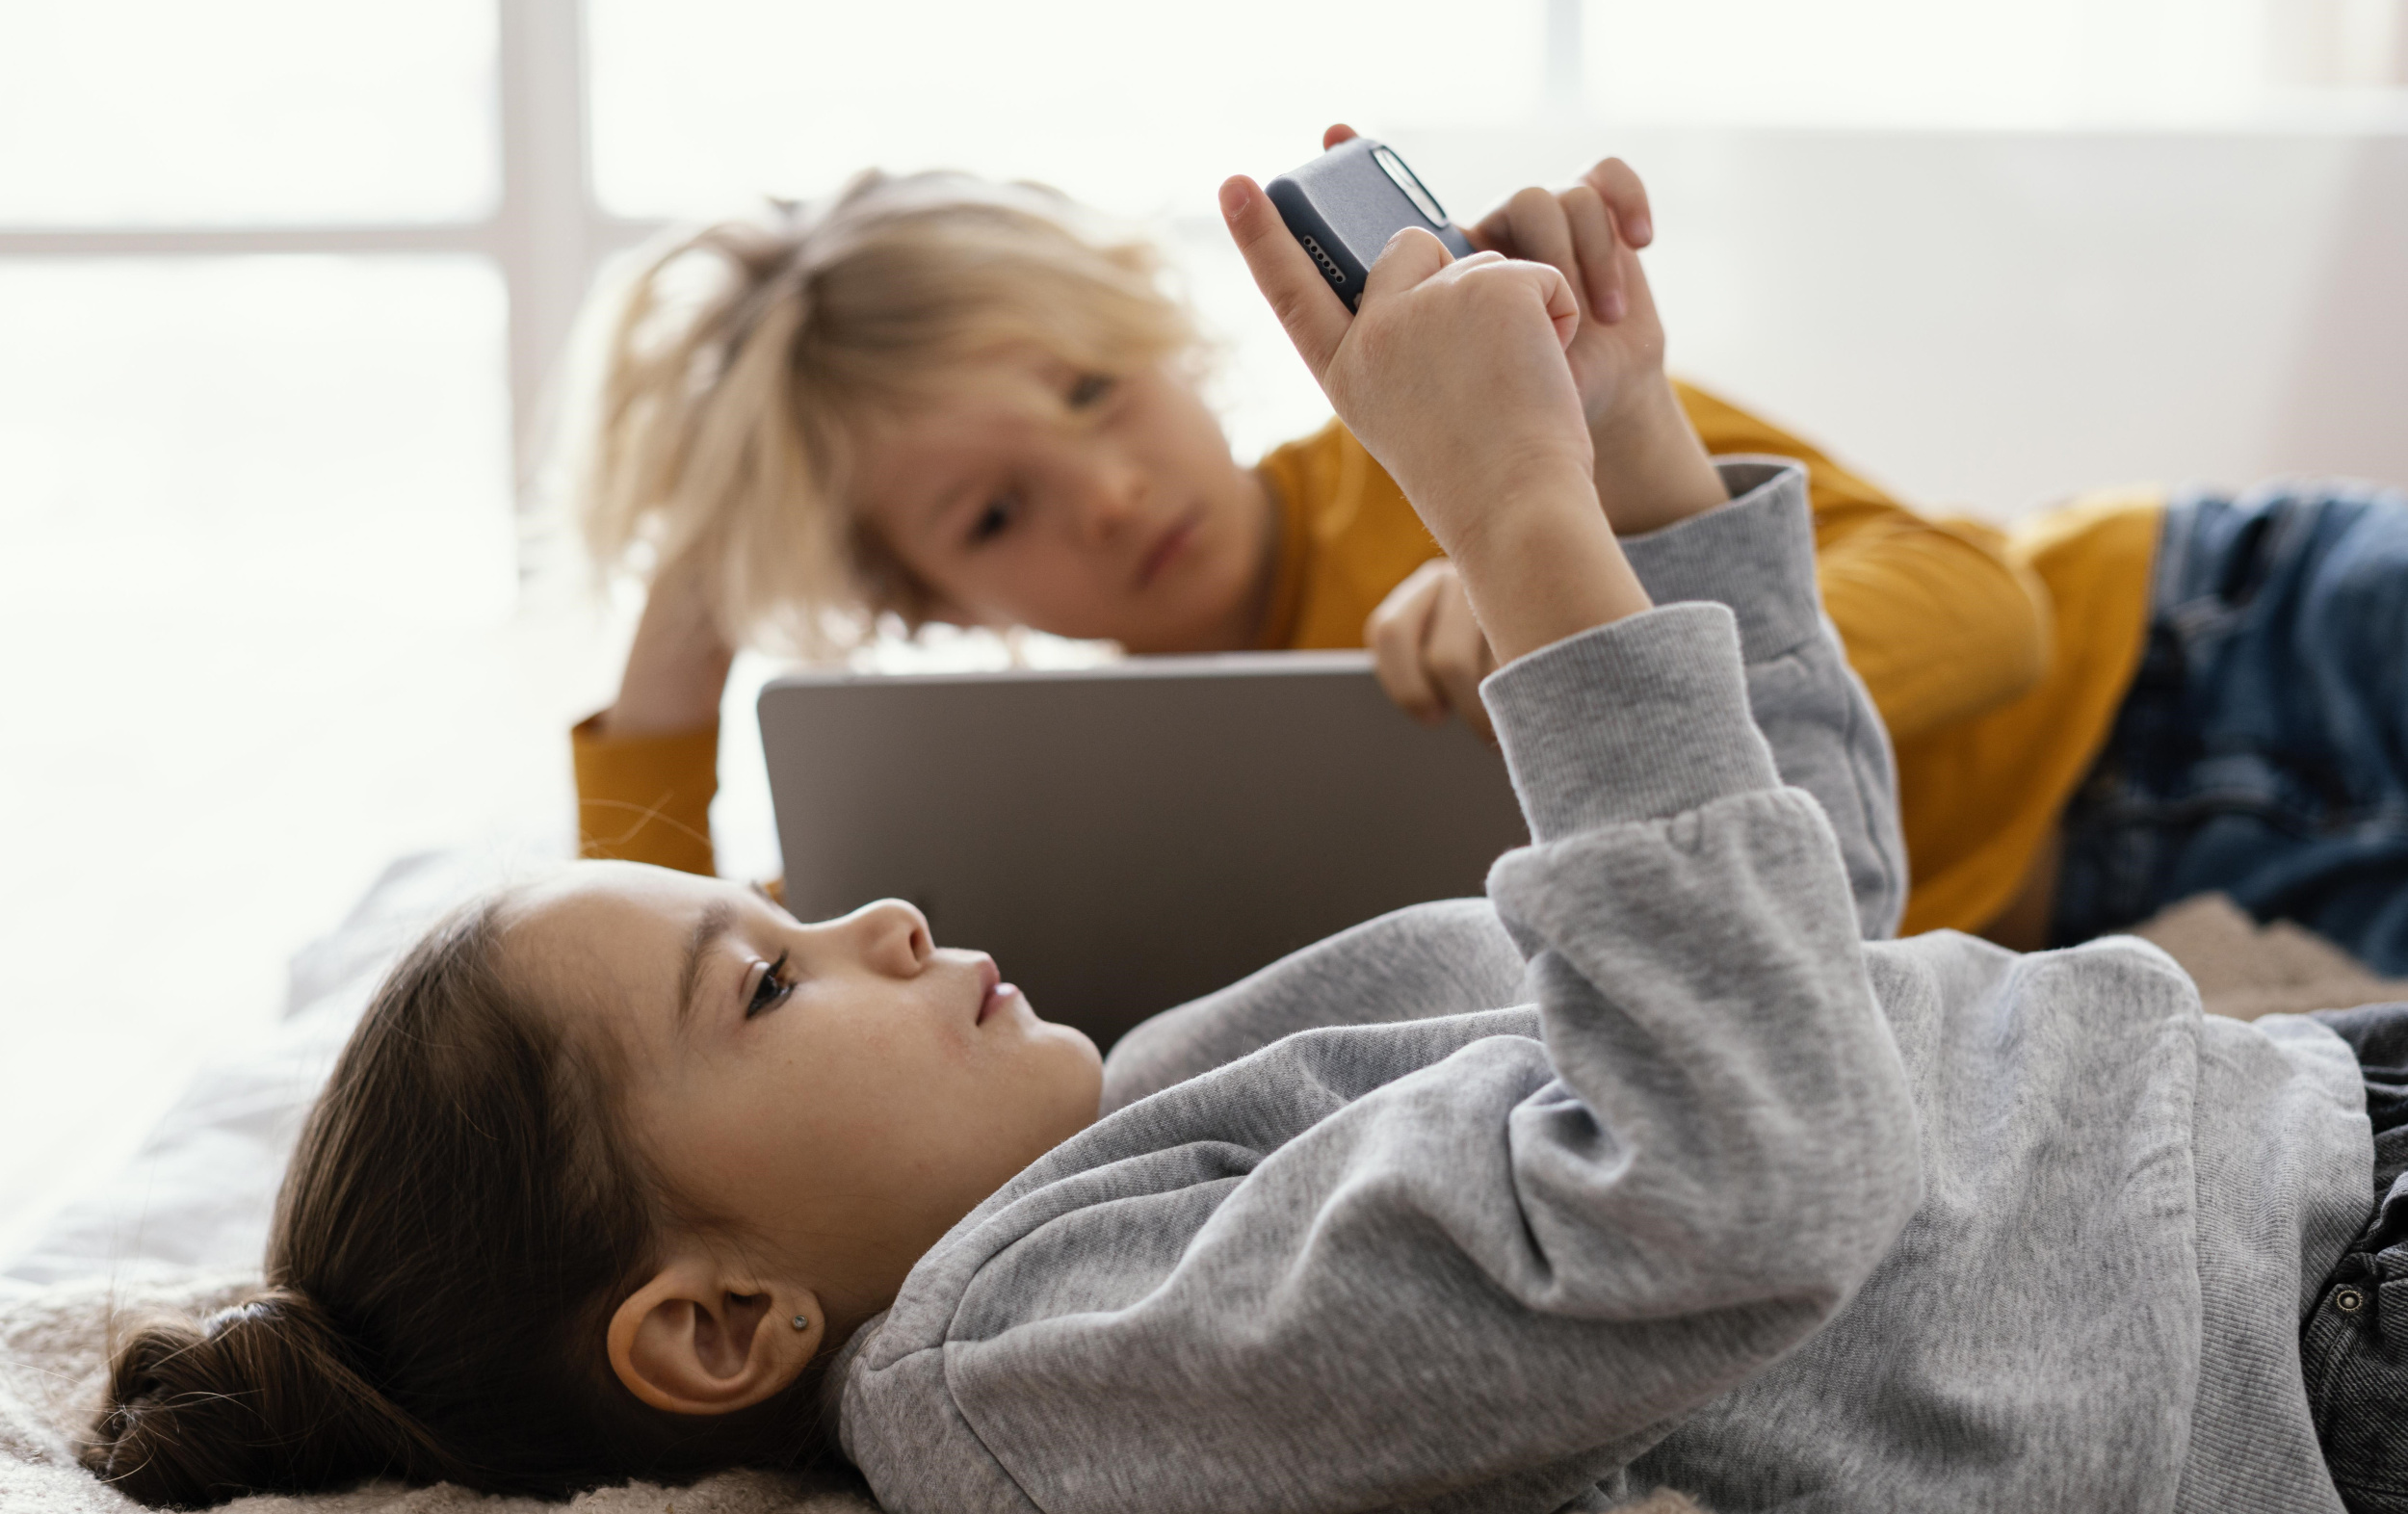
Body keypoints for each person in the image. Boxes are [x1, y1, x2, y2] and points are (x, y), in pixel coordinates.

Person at [87, 154, 2400, 1514]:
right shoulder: (1031, 1361)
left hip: (2275, 1127)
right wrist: (1516, 533)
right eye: (774, 979)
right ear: (717, 1326)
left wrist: (1631, 460)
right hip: (2298, 1325)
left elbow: (1812, 967)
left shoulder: (1134, 1137)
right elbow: (1747, 1180)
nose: (871, 911)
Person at [562, 128, 2060, 947]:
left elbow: (1989, 606)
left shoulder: (1471, 421)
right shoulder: (1076, 814)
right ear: (926, 598)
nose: (1113, 494)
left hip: (2184, 655)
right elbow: (699, 1002)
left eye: (1095, 392)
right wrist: (688, 619)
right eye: (995, 512)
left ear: (1160, 338)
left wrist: (1547, 587)